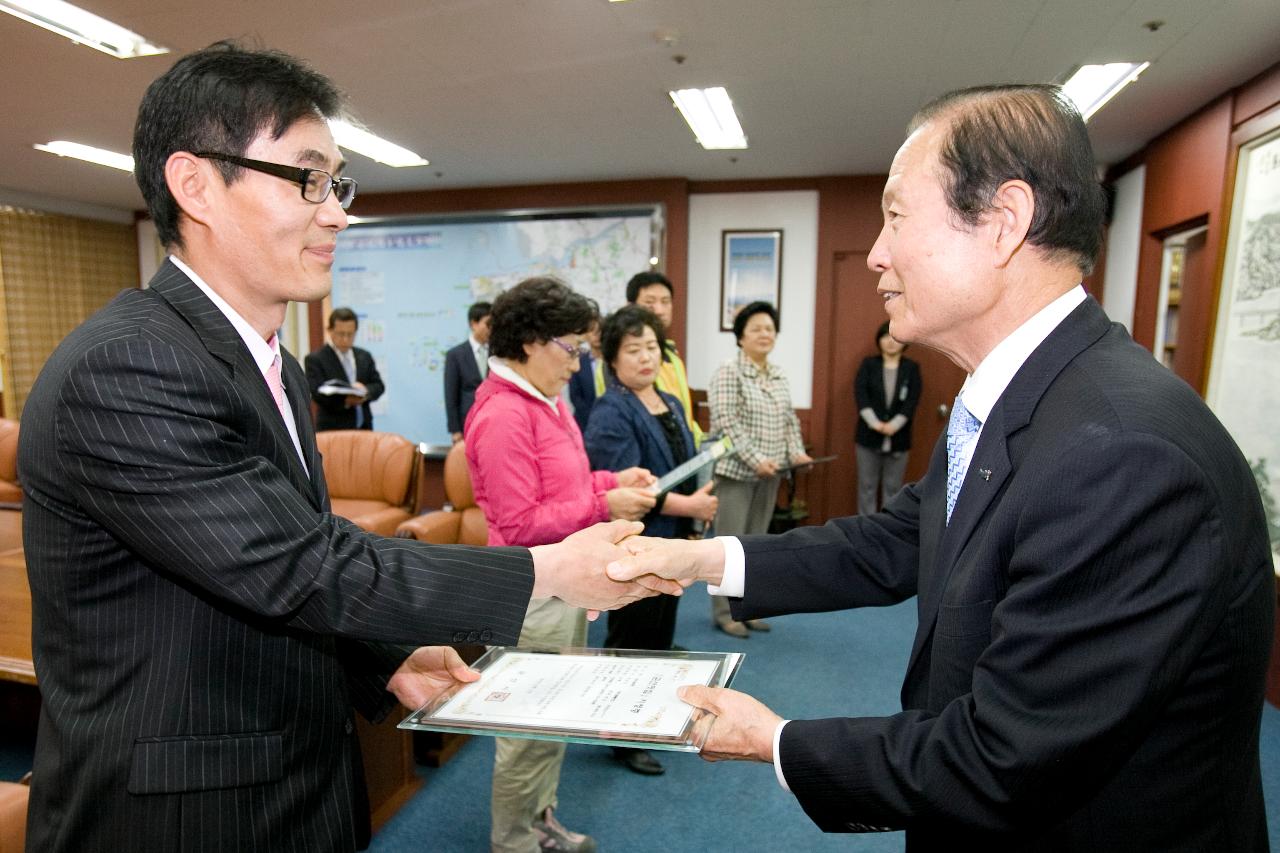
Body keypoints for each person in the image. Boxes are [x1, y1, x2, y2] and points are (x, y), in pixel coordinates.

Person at [16, 43, 670, 853]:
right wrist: (544, 568)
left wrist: (384, 657)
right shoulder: (130, 364)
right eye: (307, 179)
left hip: (291, 775)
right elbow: (296, 563)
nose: (336, 212)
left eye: (337, 183)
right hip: (182, 812)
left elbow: (285, 550)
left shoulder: (275, 365)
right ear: (195, 186)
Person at [609, 84, 1275, 851]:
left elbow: (1007, 758)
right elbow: (889, 543)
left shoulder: (1123, 452)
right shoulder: (1031, 395)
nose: (877, 254)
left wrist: (776, 739)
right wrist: (692, 559)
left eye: (896, 215)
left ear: (1002, 221)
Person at [464, 277, 658, 853]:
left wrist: (611, 481)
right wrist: (604, 504)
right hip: (531, 593)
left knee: (552, 721)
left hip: (563, 586)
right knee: (526, 729)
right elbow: (522, 524)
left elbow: (566, 487)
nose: (578, 364)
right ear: (530, 342)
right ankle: (514, 842)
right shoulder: (502, 414)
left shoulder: (545, 401)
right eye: (572, 348)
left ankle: (539, 822)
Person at [583, 305, 718, 776]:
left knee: (659, 636)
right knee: (630, 641)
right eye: (633, 349)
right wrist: (690, 508)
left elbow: (686, 466)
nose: (645, 358)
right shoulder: (610, 410)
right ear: (613, 359)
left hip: (673, 541)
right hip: (634, 545)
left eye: (652, 348)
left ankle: (646, 717)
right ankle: (619, 734)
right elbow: (629, 495)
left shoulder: (671, 401)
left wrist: (696, 513)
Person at [706, 300, 810, 638]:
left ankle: (746, 608)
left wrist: (795, 453)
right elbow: (726, 424)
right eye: (756, 329)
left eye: (769, 328)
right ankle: (724, 613)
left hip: (771, 474)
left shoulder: (778, 374)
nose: (765, 334)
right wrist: (755, 461)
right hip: (737, 475)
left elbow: (789, 421)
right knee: (729, 546)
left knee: (755, 548)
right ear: (740, 337)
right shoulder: (728, 371)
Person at [626, 271, 703, 444]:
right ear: (631, 306)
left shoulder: (672, 355)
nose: (659, 310)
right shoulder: (621, 356)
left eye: (665, 302)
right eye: (649, 302)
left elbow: (685, 413)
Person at [853, 320, 922, 514]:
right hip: (868, 436)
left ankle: (886, 531)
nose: (890, 342)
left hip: (898, 437)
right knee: (866, 487)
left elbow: (912, 401)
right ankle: (865, 532)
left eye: (894, 337)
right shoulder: (868, 365)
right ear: (878, 340)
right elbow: (861, 396)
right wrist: (875, 424)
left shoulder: (911, 368)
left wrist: (894, 425)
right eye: (885, 336)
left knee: (893, 489)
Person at [305, 306, 385, 430]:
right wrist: (346, 401)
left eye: (350, 334)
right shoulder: (316, 359)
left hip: (364, 428)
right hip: (333, 430)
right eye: (341, 334)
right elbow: (316, 393)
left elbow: (379, 385)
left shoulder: (364, 356)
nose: (346, 339)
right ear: (330, 331)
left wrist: (366, 391)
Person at [443, 300, 492, 443]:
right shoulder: (455, 355)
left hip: (493, 421)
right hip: (467, 424)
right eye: (487, 323)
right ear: (474, 324)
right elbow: (450, 395)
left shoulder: (497, 353)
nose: (491, 328)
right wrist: (455, 430)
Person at [567, 313, 605, 434]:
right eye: (592, 331)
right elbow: (575, 395)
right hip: (585, 424)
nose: (596, 336)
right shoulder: (578, 360)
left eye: (600, 331)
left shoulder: (614, 361)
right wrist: (593, 419)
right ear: (586, 335)